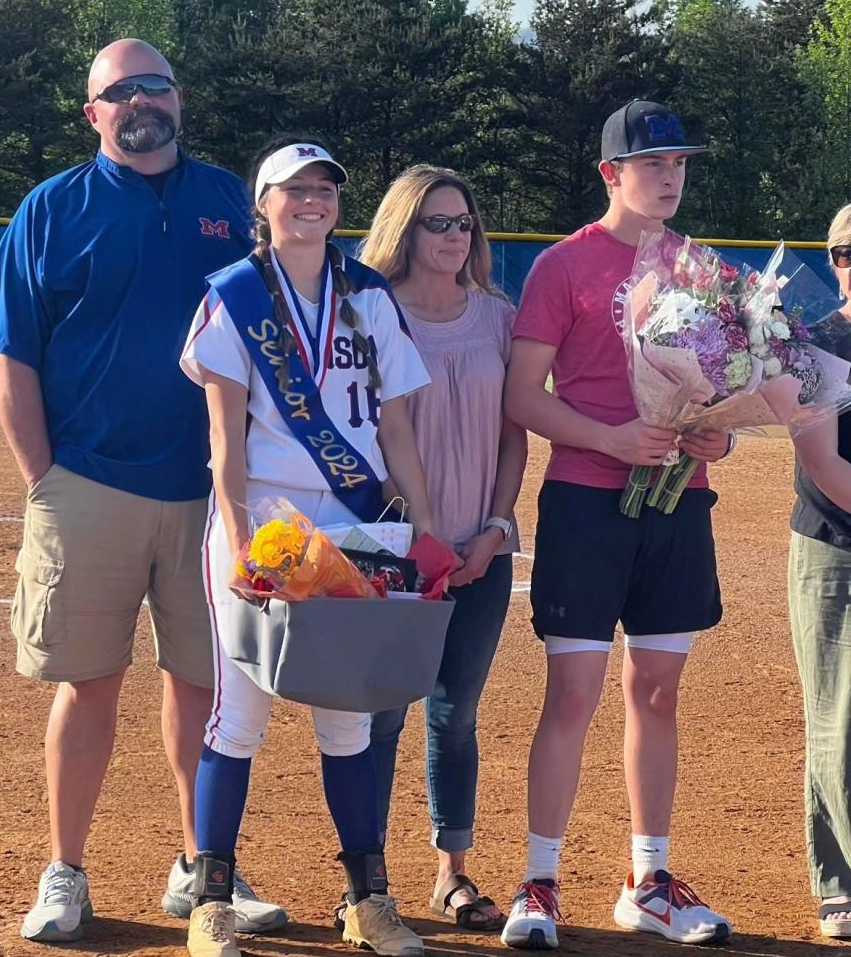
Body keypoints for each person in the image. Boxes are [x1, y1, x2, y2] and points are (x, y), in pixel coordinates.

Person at [0, 38, 284, 943]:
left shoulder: (232, 200)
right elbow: (10, 352)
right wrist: (43, 478)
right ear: (93, 110)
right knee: (88, 684)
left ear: (179, 100)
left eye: (157, 86)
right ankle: (65, 870)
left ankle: (201, 868)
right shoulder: (51, 207)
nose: (142, 102)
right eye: (120, 91)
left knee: (203, 687)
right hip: (89, 484)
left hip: (214, 495)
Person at [179, 136, 435, 957]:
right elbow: (224, 438)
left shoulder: (368, 295)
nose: (313, 200)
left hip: (360, 525)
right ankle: (212, 899)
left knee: (348, 721)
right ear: (264, 204)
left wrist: (421, 529)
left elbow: (395, 421)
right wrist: (236, 543)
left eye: (324, 187)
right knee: (240, 715)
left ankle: (368, 899)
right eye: (295, 189)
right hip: (271, 523)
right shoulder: (232, 296)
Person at [499, 100, 733, 950]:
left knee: (658, 692)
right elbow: (521, 396)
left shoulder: (704, 269)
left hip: (680, 502)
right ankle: (539, 881)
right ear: (612, 174)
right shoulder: (564, 266)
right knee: (573, 694)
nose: (670, 178)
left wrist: (722, 432)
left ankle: (647, 880)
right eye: (653, 164)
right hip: (587, 501)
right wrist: (609, 437)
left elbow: (728, 387)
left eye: (679, 164)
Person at [359, 165, 527, 932]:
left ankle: (450, 876)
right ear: (405, 229)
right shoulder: (372, 312)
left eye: (464, 223)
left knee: (455, 717)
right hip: (397, 550)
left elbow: (512, 434)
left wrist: (496, 529)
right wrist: (415, 536)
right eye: (438, 223)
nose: (456, 236)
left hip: (481, 549)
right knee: (382, 717)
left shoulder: (496, 314)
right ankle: (369, 881)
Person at [789, 204, 851, 941]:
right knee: (840, 715)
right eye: (845, 253)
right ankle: (840, 878)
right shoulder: (819, 344)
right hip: (835, 545)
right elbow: (822, 462)